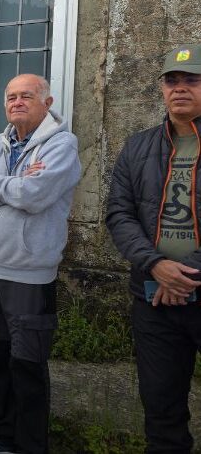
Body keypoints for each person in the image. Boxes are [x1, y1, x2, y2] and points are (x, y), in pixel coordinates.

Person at [0, 74, 81, 454]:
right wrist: (10, 183)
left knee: (27, 366)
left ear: (47, 103)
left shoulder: (62, 145)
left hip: (29, 274)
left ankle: (30, 446)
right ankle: (3, 435)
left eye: (26, 96)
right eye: (11, 96)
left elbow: (34, 195)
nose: (17, 102)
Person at [106, 44, 201, 453]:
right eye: (171, 80)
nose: (179, 88)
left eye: (191, 79)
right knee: (161, 409)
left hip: (188, 287)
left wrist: (185, 275)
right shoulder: (138, 147)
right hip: (153, 297)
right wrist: (156, 265)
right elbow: (119, 213)